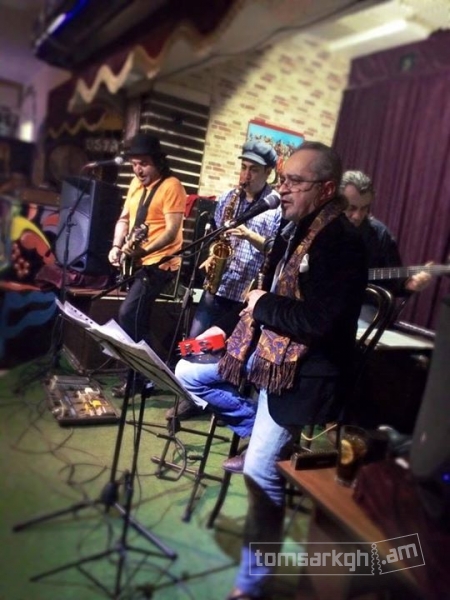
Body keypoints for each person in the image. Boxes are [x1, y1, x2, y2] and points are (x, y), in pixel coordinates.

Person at [174, 141, 368, 599]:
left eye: (295, 182)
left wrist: (262, 305)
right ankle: (254, 427)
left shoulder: (341, 242)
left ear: (325, 189)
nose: (283, 189)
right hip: (264, 358)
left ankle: (252, 585)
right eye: (283, 180)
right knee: (186, 372)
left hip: (303, 375)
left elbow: (318, 322)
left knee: (260, 475)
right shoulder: (292, 226)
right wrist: (239, 328)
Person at [168, 140, 282, 419]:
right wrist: (211, 256)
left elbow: (276, 251)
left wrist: (249, 235)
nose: (245, 175)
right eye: (244, 167)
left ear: (268, 172)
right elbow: (217, 237)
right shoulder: (228, 198)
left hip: (247, 295)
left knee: (229, 353)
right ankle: (190, 399)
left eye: (253, 170)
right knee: (193, 344)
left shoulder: (276, 208)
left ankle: (222, 404)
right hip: (218, 285)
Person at [108, 132, 186, 398]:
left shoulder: (172, 186)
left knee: (129, 314)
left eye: (144, 163)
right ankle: (144, 376)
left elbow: (172, 232)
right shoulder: (134, 184)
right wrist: (116, 246)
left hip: (160, 263)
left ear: (158, 162)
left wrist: (143, 250)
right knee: (136, 319)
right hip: (137, 261)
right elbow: (123, 219)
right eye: (134, 164)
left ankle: (147, 373)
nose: (138, 169)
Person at [341, 170, 431, 323]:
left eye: (364, 208)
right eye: (351, 208)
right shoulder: (319, 226)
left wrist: (409, 284)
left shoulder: (379, 234)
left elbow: (395, 282)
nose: (358, 215)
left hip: (361, 306)